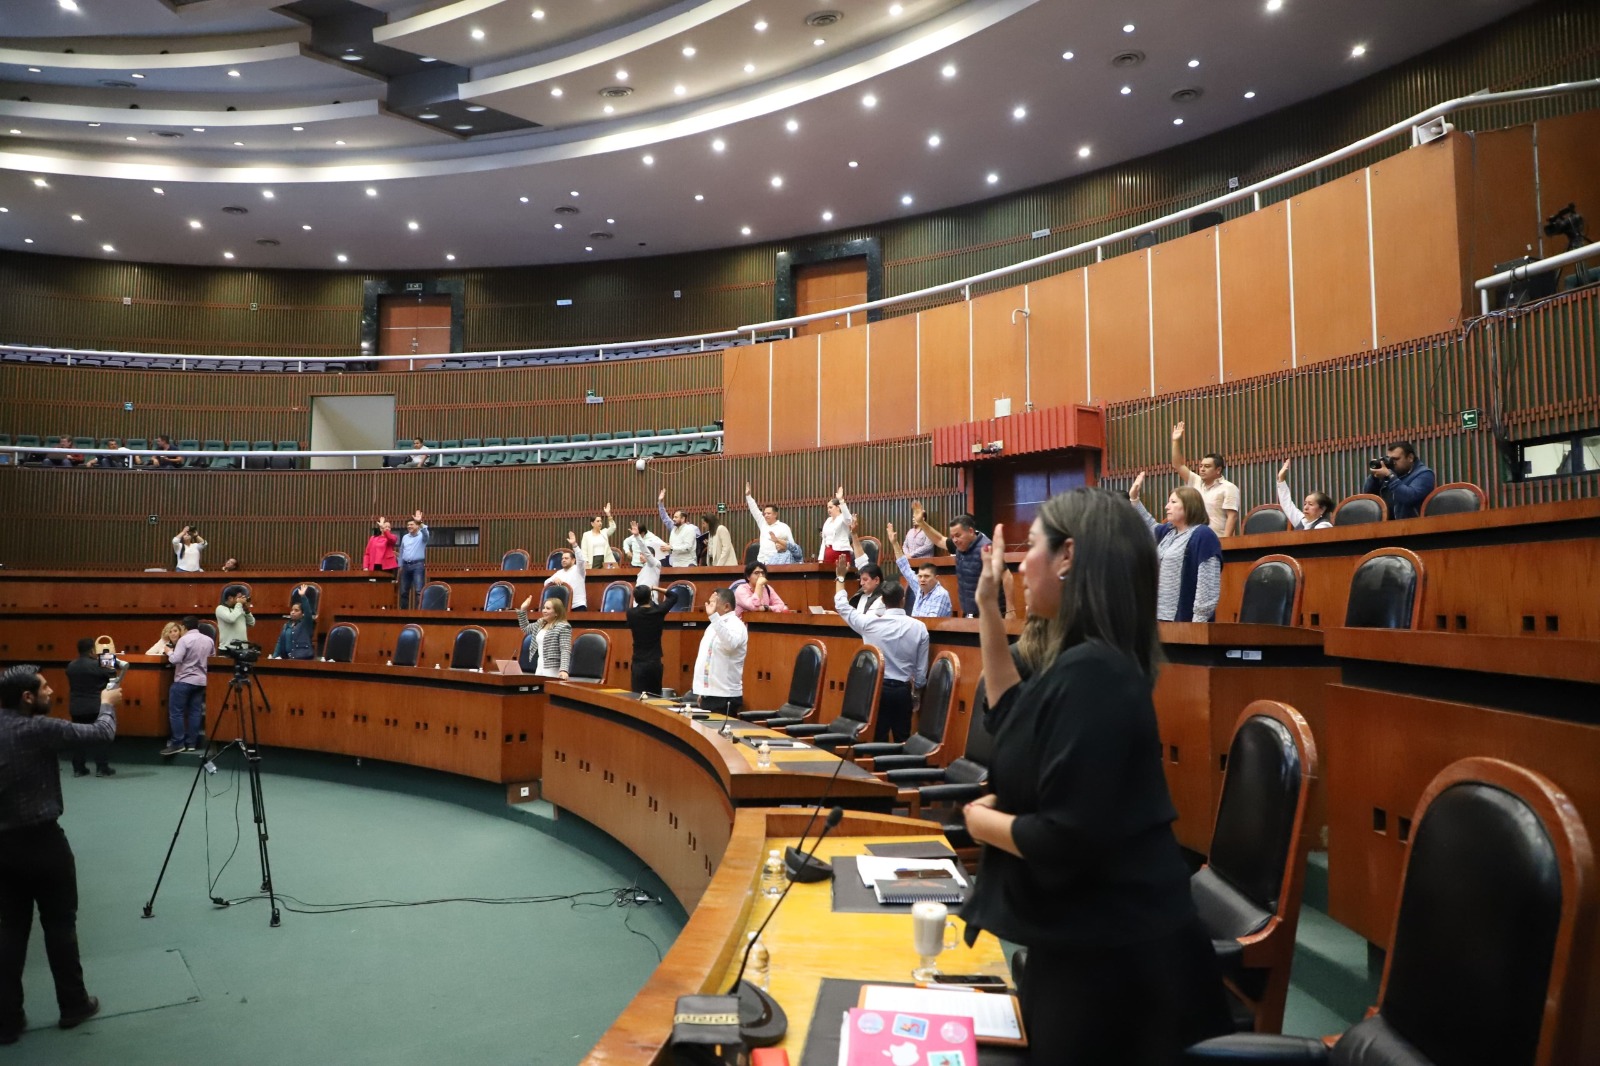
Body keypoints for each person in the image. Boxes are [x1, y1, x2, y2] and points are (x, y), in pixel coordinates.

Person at [959, 490, 1232, 1063]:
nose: (1019, 563)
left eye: (1030, 546)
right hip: (1089, 947)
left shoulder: (1096, 675)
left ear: (1067, 556)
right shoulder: (1081, 661)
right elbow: (1010, 717)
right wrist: (988, 608)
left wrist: (981, 823)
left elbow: (1066, 838)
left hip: (1124, 977)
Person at [0, 664, 119, 1046]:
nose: (53, 691)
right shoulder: (38, 728)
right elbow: (102, 733)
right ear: (27, 698)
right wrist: (107, 703)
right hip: (45, 844)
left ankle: (7, 1020)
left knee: (10, 930)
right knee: (60, 925)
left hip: (4, 847)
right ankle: (73, 1004)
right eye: (45, 687)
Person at [833, 556, 928, 742]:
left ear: (882, 599)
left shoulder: (868, 624)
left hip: (876, 689)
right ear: (903, 600)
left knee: (877, 738)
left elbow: (842, 606)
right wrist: (916, 692)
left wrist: (841, 577)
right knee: (903, 739)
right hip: (903, 691)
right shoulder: (919, 628)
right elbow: (921, 674)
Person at [1129, 475, 1222, 623]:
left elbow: (1208, 585)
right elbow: (1148, 525)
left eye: (1173, 502)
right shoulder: (1169, 532)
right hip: (1159, 619)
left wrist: (1197, 626)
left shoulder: (1203, 535)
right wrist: (1134, 499)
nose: (1167, 506)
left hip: (1186, 623)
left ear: (1189, 506)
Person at [910, 503, 1000, 618]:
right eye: (952, 537)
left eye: (958, 535)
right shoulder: (959, 545)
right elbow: (939, 540)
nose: (955, 540)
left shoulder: (986, 548)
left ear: (971, 531)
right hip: (970, 612)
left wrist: (1010, 610)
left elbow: (1006, 577)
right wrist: (922, 523)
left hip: (990, 612)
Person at [1170, 421, 1240, 537]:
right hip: (1195, 538)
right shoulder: (1196, 481)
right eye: (1201, 466)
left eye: (1207, 467)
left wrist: (1226, 544)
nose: (1202, 469)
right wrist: (1175, 441)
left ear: (1218, 470)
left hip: (1217, 539)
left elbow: (1232, 517)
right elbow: (1178, 465)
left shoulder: (1229, 488)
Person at [161, 615, 214, 756]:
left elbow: (175, 659)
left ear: (184, 627)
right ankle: (191, 743)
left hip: (183, 680)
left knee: (176, 712)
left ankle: (178, 743)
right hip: (201, 681)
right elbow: (212, 659)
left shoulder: (184, 640)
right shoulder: (209, 640)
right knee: (195, 712)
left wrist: (169, 652)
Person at [65, 638, 117, 778]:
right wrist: (107, 656)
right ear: (92, 650)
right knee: (100, 738)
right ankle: (101, 768)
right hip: (95, 705)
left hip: (76, 706)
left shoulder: (71, 666)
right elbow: (113, 675)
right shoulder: (98, 665)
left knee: (78, 738)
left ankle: (78, 768)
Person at [691, 589, 747, 714]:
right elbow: (706, 658)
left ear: (726, 607)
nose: (709, 607)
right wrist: (703, 692)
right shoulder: (713, 625)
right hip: (710, 694)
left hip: (725, 696)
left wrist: (714, 618)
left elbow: (730, 644)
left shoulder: (736, 625)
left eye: (713, 603)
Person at [888, 522, 953, 618]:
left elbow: (930, 623)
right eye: (920, 576)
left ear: (936, 578)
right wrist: (894, 543)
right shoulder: (919, 587)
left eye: (927, 576)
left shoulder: (940, 594)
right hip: (916, 629)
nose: (922, 579)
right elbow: (904, 567)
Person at [1361, 440, 1436, 521]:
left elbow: (1409, 497)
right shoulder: (1390, 473)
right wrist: (1374, 477)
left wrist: (1390, 476)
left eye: (1396, 459)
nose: (1392, 463)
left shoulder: (1424, 474)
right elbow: (1368, 497)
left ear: (1410, 458)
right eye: (1390, 459)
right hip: (1386, 527)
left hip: (1414, 527)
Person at [624, 585, 672, 693]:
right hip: (654, 662)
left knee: (637, 697)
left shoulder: (631, 613)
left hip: (638, 662)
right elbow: (673, 596)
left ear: (635, 599)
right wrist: (656, 588)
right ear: (650, 596)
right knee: (655, 698)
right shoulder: (659, 611)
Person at [516, 595, 571, 679]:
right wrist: (523, 609)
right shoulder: (541, 622)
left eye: (548, 608)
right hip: (540, 664)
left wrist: (563, 670)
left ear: (557, 612)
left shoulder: (563, 627)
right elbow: (526, 629)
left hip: (553, 668)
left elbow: (565, 649)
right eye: (544, 608)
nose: (544, 611)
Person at [745, 483, 796, 566]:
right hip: (761, 562)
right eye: (765, 513)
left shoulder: (784, 527)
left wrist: (784, 547)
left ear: (775, 514)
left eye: (769, 513)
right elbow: (754, 510)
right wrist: (748, 496)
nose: (766, 515)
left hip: (777, 562)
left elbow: (792, 546)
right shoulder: (762, 523)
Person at [1275, 460, 1334, 530]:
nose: (1306, 507)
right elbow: (1286, 504)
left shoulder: (1324, 526)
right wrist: (1281, 479)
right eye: (1305, 504)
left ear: (1322, 509)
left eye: (1310, 504)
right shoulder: (1302, 521)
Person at [270, 585, 317, 660]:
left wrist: (303, 596)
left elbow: (308, 612)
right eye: (292, 610)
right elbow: (280, 642)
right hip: (288, 658)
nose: (292, 612)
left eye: (296, 610)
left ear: (303, 613)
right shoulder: (287, 625)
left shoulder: (306, 624)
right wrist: (274, 657)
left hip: (302, 658)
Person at [544, 532, 588, 611]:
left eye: (566, 558)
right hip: (563, 607)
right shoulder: (559, 572)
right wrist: (553, 580)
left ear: (573, 560)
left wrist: (574, 544)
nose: (563, 560)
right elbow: (546, 583)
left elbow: (581, 560)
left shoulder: (579, 569)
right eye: (562, 558)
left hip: (578, 606)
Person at [657, 490, 700, 568]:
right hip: (674, 564)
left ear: (683, 519)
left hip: (687, 565)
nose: (673, 519)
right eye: (673, 517)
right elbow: (665, 518)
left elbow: (687, 547)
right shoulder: (673, 530)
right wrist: (667, 548)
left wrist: (671, 547)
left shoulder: (690, 529)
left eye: (676, 517)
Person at [397, 509, 429, 610]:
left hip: (418, 566)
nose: (409, 526)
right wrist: (400, 565)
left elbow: (426, 534)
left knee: (419, 591)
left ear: (417, 525)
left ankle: (418, 613)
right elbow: (401, 551)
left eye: (412, 524)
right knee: (403, 591)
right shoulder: (405, 537)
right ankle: (403, 613)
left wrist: (420, 522)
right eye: (408, 525)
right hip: (405, 566)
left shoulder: (422, 536)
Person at [817, 485, 855, 564]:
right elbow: (824, 540)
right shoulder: (828, 520)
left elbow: (849, 519)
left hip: (841, 553)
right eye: (828, 508)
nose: (828, 510)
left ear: (838, 507)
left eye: (831, 507)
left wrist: (841, 500)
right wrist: (820, 558)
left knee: (841, 574)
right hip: (828, 553)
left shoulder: (843, 518)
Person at [579, 504, 616, 570]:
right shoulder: (586, 535)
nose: (600, 523)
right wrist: (586, 561)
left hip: (606, 559)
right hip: (593, 560)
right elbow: (584, 550)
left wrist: (608, 514)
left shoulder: (604, 532)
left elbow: (613, 527)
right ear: (592, 523)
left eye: (601, 521)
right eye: (598, 521)